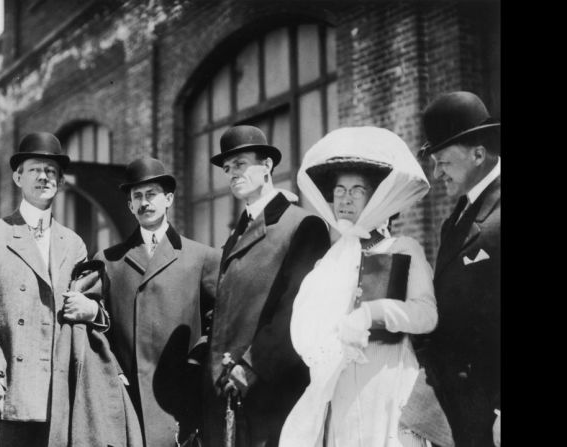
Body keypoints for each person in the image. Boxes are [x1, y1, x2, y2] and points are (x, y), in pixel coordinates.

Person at [279, 126, 437, 447]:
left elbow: (426, 318)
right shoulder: (329, 263)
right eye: (339, 191)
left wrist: (374, 315)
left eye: (356, 191)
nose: (345, 200)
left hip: (387, 382)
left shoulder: (399, 249)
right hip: (340, 390)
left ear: (376, 196)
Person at [0, 132, 108, 447]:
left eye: (51, 171)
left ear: (60, 180)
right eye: (35, 169)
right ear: (17, 177)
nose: (44, 177)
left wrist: (91, 309)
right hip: (8, 388)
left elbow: (88, 304)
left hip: (60, 389)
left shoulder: (73, 243)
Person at [203, 125, 331, 447]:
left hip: (272, 392)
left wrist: (250, 366)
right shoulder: (236, 233)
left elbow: (296, 310)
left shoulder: (302, 225)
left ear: (268, 166)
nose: (232, 174)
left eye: (241, 164)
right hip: (231, 392)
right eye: (228, 168)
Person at [93, 156, 219, 445]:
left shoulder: (202, 257)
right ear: (129, 206)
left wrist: (193, 364)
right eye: (137, 196)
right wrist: (115, 371)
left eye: (151, 194)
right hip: (128, 399)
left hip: (180, 401)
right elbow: (96, 328)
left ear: (169, 199)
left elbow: (219, 323)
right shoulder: (109, 260)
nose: (144, 203)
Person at [416, 91, 501, 447]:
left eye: (444, 163)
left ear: (478, 154)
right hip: (459, 410)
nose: (437, 174)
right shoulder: (455, 221)